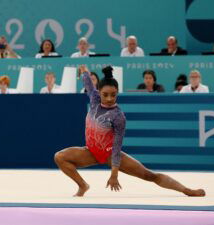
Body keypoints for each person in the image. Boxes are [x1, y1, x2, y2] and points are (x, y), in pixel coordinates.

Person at [54, 65, 205, 197]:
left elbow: (117, 146)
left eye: (113, 95)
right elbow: (88, 85)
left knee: (149, 175)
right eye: (105, 94)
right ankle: (83, 185)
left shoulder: (118, 116)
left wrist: (114, 174)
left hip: (111, 154)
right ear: (99, 92)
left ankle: (186, 190)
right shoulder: (94, 99)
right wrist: (85, 72)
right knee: (60, 157)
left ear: (117, 92)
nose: (109, 98)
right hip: (91, 152)